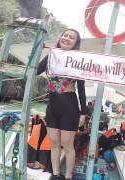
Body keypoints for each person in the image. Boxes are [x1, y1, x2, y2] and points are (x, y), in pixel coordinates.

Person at [37, 28, 87, 180]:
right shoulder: (51, 56)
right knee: (54, 144)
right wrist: (39, 51)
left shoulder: (77, 60)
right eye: (64, 35)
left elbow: (81, 87)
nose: (66, 38)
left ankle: (67, 176)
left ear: (75, 43)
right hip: (52, 107)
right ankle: (55, 174)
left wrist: (83, 112)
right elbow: (35, 71)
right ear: (60, 38)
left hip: (70, 108)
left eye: (71, 37)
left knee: (67, 145)